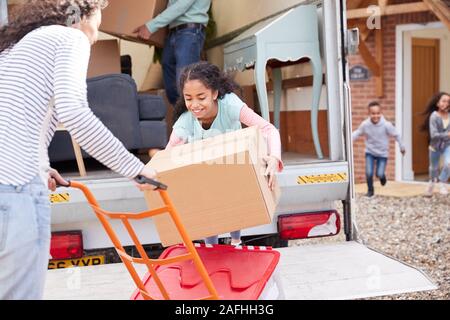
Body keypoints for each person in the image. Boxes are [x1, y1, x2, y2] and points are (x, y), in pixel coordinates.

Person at [0, 0, 157, 300]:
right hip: (16, 193)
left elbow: (13, 119)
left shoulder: (15, 47)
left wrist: (42, 166)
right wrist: (136, 169)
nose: (97, 35)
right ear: (83, 12)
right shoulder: (71, 38)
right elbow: (75, 114)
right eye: (99, 19)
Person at [165, 61, 284, 246]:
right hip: (204, 170)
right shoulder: (186, 121)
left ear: (214, 93)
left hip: (232, 166)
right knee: (208, 209)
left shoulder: (230, 106)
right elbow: (168, 154)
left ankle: (236, 241)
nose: (194, 104)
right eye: (188, 98)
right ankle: (211, 247)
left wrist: (274, 157)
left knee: (232, 204)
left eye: (201, 97)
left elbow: (268, 130)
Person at [134, 0, 211, 107]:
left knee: (185, 81)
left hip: (190, 30)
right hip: (174, 31)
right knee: (169, 74)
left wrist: (151, 26)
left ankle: (190, 118)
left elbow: (181, 5)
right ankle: (182, 114)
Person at [352, 101, 406, 197]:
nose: (375, 116)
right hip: (370, 152)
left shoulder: (386, 125)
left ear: (381, 113)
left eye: (378, 113)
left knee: (379, 173)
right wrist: (348, 139)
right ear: (369, 114)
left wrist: (402, 146)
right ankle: (370, 191)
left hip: (382, 154)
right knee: (369, 172)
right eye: (373, 113)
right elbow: (357, 133)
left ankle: (382, 177)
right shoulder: (365, 125)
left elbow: (396, 135)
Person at [420, 92, 450, 197]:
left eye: (448, 101)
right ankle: (432, 183)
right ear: (437, 103)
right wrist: (448, 134)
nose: (446, 103)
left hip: (447, 145)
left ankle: (442, 182)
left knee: (449, 163)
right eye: (444, 101)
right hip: (435, 146)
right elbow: (434, 135)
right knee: (434, 168)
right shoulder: (434, 116)